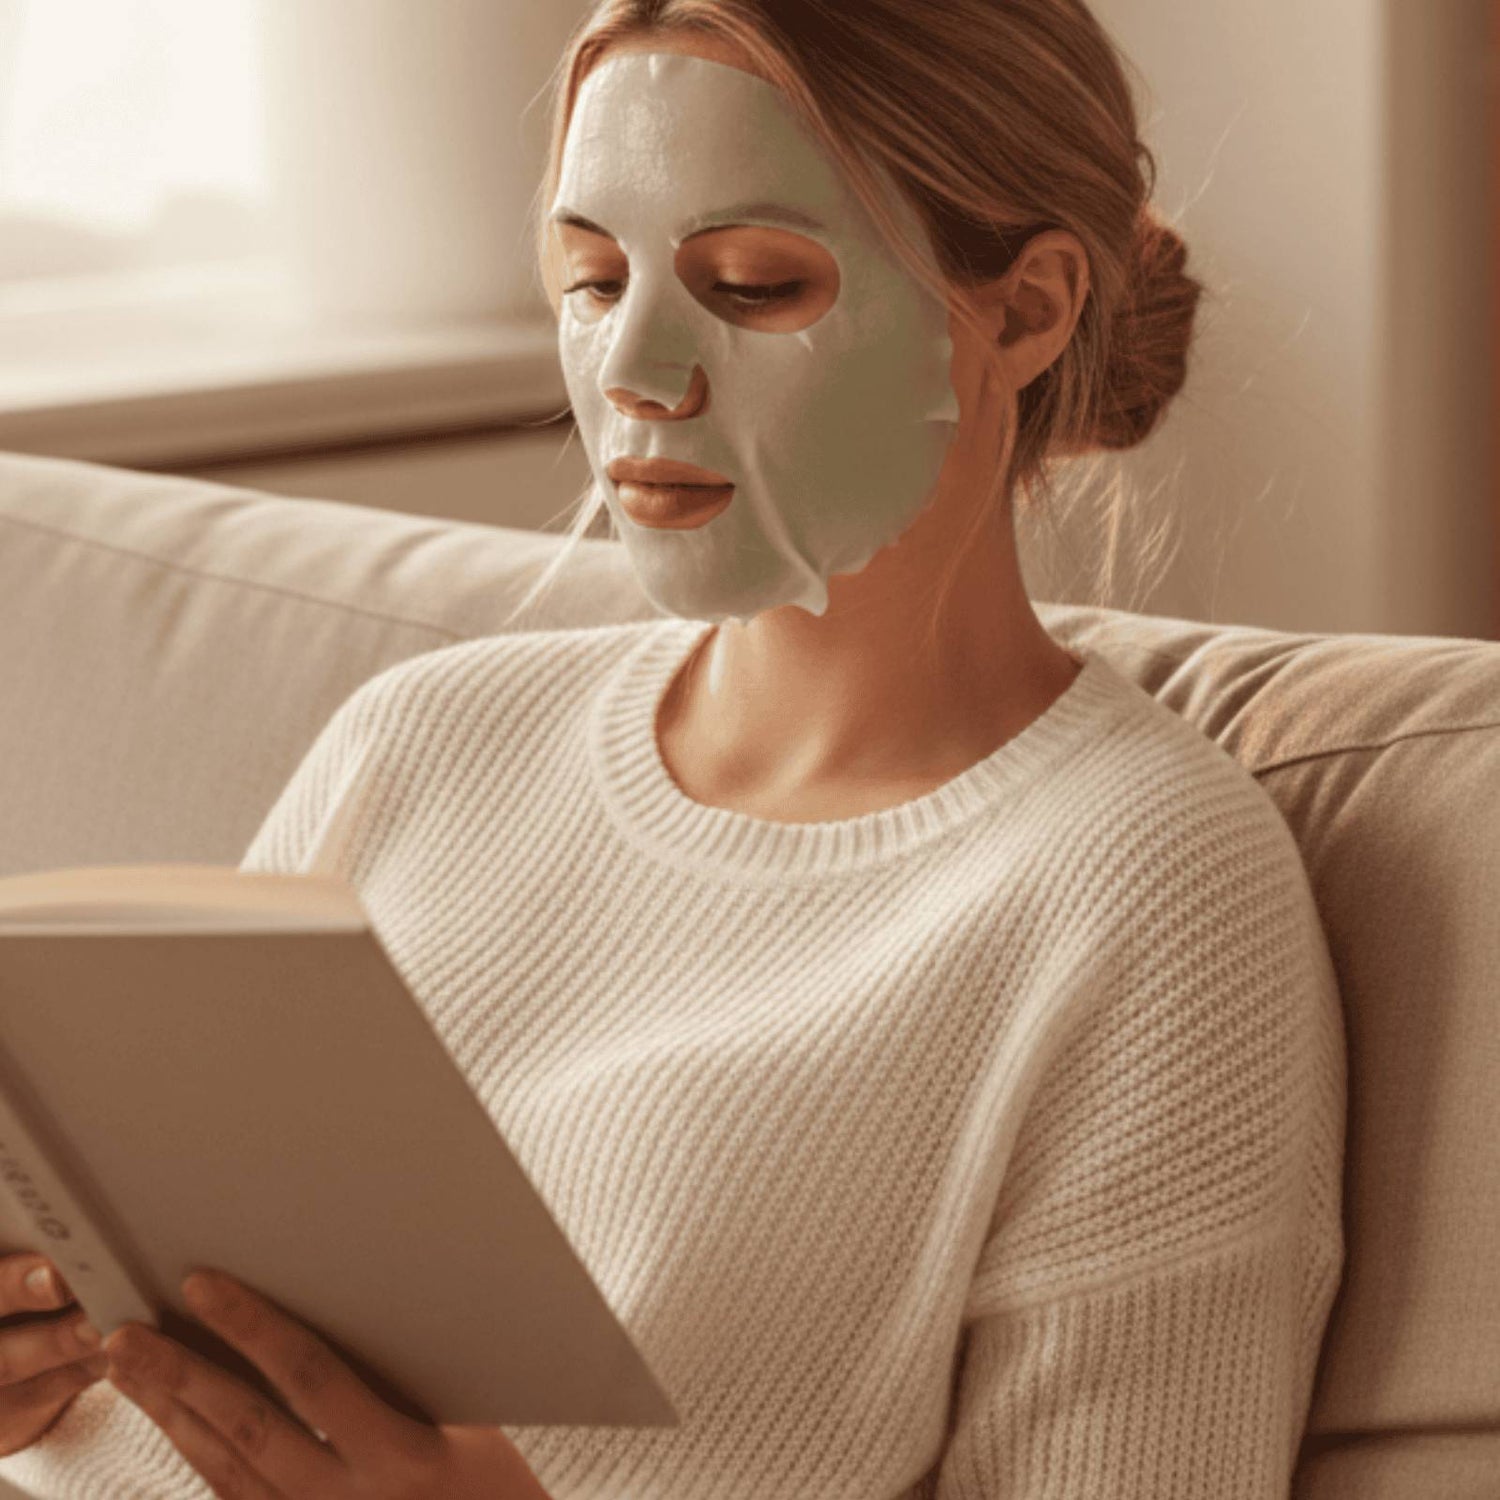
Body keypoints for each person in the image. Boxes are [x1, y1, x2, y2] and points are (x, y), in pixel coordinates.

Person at [0, 2, 1346, 1497]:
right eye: (590, 280)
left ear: (1026, 312)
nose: (634, 369)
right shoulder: (425, 738)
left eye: (754, 285)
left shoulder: (1148, 888)